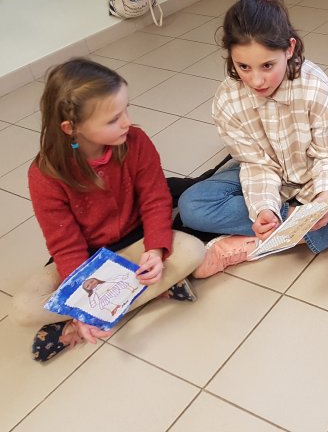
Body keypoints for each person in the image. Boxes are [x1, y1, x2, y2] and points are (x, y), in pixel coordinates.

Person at [178, 0, 328, 277]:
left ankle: (252, 245)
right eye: (243, 67)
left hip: (316, 168)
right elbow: (256, 164)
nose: (256, 80)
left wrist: (324, 198)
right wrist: (263, 210)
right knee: (191, 206)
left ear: (289, 49)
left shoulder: (317, 89)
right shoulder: (227, 100)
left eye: (267, 65)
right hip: (267, 173)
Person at [12, 59, 206, 362]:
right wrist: (84, 302)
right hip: (87, 259)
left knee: (192, 250)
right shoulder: (45, 175)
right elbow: (65, 244)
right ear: (71, 128)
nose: (127, 122)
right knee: (22, 309)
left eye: (126, 109)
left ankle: (94, 316)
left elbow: (156, 198)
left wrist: (155, 250)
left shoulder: (136, 141)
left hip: (136, 239)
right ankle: (145, 294)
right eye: (113, 119)